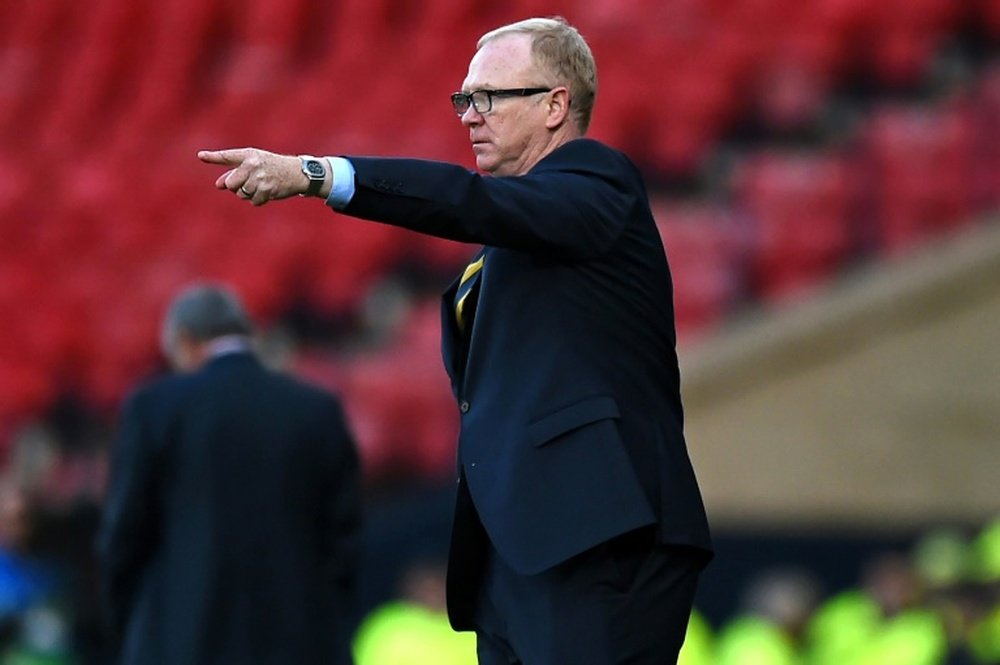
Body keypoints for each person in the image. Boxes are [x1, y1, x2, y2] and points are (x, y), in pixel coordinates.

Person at [199, 16, 712, 664]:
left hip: (596, 540)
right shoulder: (514, 236)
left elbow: (468, 201)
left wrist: (320, 174)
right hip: (513, 554)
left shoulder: (599, 183)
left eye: (490, 97)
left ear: (556, 105)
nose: (469, 115)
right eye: (464, 98)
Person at [97, 285, 361, 665]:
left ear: (184, 341)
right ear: (248, 336)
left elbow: (124, 536)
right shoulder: (316, 408)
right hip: (299, 641)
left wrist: (130, 626)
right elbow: (343, 538)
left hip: (181, 641)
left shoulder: (153, 408)